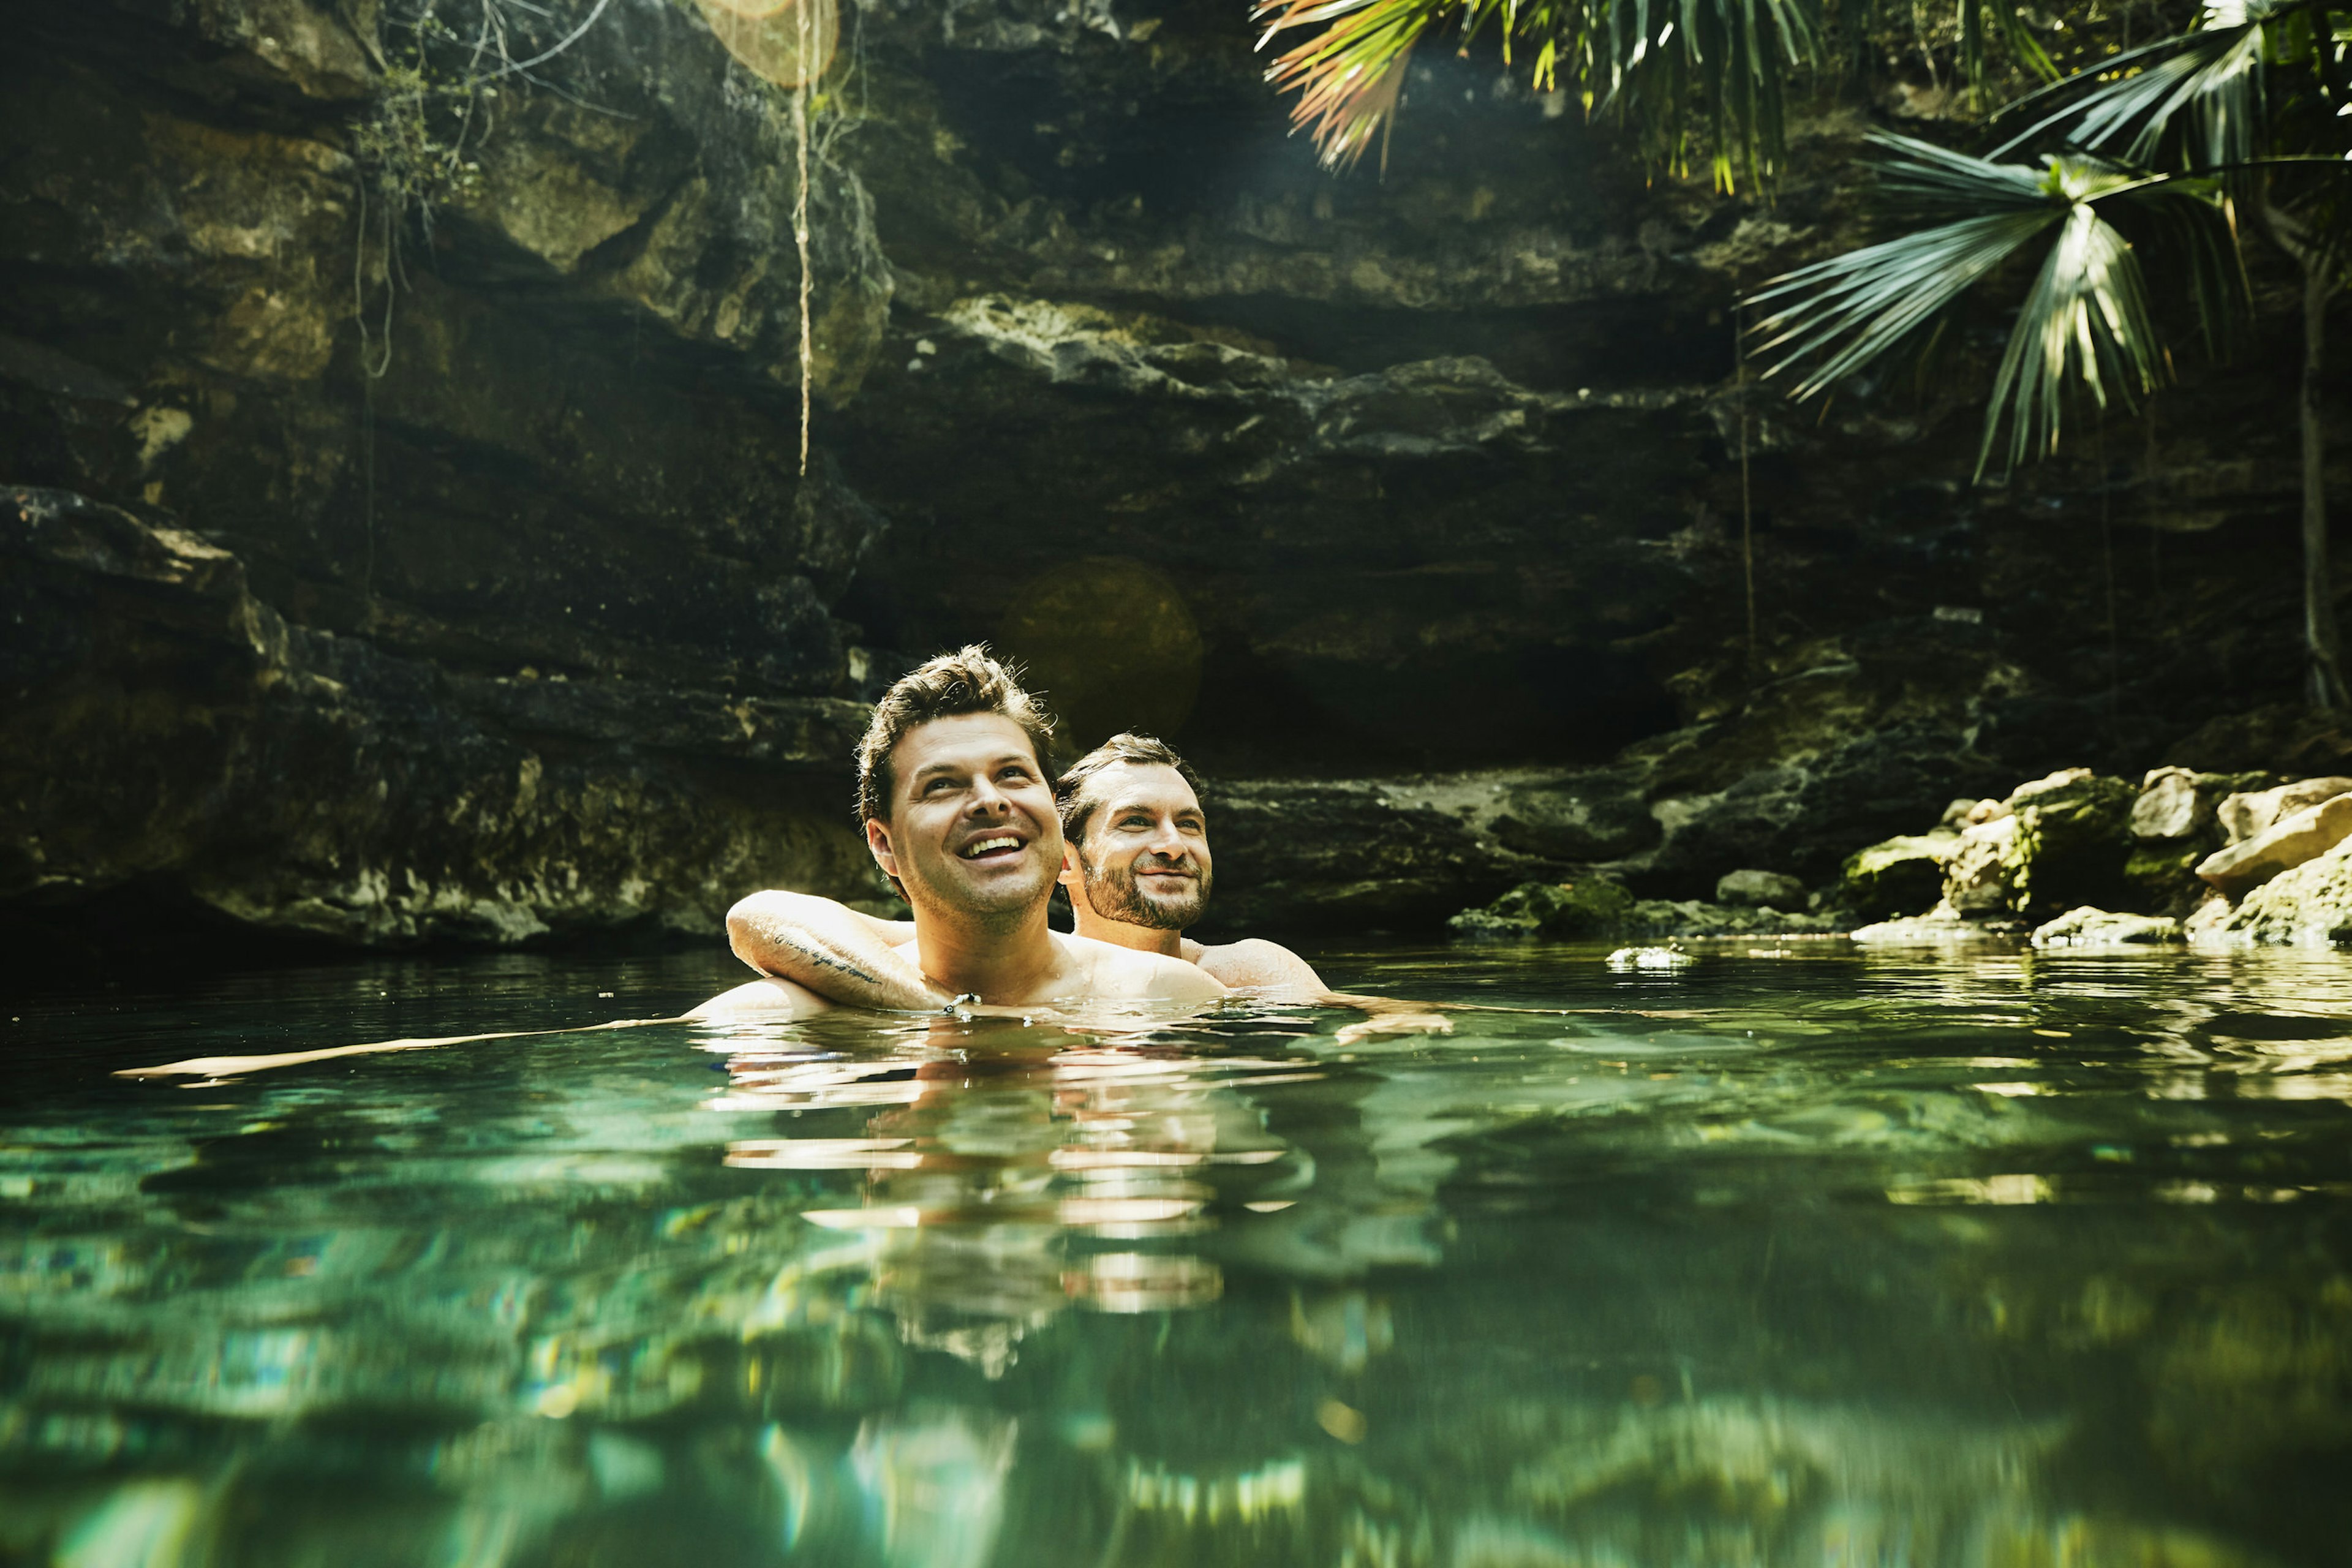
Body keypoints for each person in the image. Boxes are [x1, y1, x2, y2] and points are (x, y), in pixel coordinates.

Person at [721, 727, 1450, 1038]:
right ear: (1062, 858)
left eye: (1190, 824)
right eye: (1136, 823)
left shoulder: (1245, 969)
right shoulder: (989, 955)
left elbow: (1327, 1038)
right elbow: (770, 914)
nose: (1175, 846)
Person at [693, 647, 1224, 1020]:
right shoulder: (783, 1020)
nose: (991, 799)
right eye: (943, 785)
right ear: (884, 846)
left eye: (1013, 773)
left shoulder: (1173, 995)